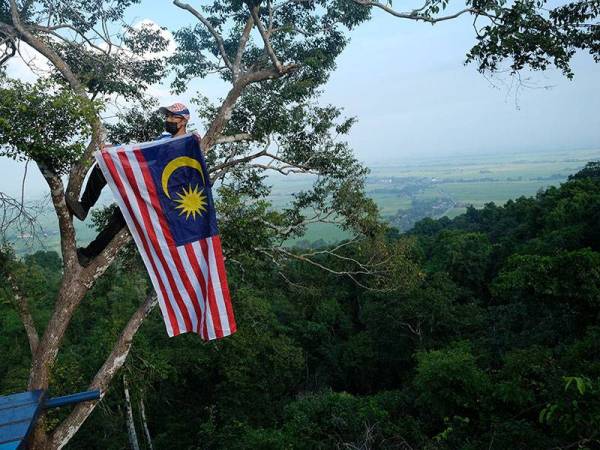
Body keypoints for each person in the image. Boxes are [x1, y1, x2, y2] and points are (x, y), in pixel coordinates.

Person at [67, 103, 191, 266]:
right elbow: (139, 151)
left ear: (182, 121)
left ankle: (89, 253)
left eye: (171, 117)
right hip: (143, 181)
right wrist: (115, 149)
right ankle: (84, 208)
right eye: (166, 116)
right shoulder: (163, 139)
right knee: (103, 166)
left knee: (120, 219)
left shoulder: (188, 145)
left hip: (158, 193)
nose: (167, 120)